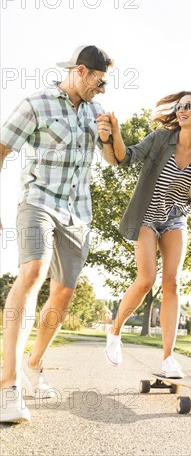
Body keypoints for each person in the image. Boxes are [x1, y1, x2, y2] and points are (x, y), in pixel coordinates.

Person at [0, 45, 118, 423]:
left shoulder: (98, 113)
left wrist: (110, 137)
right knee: (32, 271)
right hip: (37, 201)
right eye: (99, 82)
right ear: (80, 71)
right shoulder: (35, 104)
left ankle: (33, 365)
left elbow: (115, 160)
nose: (102, 91)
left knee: (64, 292)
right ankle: (7, 386)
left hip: (78, 214)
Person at [105, 91, 191, 378]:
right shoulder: (159, 139)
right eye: (179, 106)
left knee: (173, 283)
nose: (181, 110)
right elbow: (126, 158)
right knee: (146, 280)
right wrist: (115, 134)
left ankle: (168, 358)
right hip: (146, 215)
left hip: (175, 219)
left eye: (188, 106)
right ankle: (115, 329)